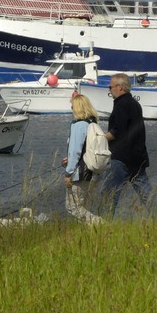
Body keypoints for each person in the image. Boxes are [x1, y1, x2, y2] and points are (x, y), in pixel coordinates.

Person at [101, 72, 151, 215]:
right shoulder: (135, 104)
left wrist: (98, 138)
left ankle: (104, 224)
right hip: (138, 157)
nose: (109, 90)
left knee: (109, 195)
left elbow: (117, 131)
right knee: (147, 195)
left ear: (120, 87)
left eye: (110, 87)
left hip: (121, 157)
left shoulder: (121, 105)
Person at [60, 92, 103, 225]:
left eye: (72, 106)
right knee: (82, 204)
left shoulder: (78, 125)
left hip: (80, 173)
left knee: (72, 207)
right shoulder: (92, 124)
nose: (71, 109)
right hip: (92, 172)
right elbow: (86, 148)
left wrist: (68, 173)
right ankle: (91, 231)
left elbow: (75, 151)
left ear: (77, 108)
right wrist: (70, 159)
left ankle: (100, 224)